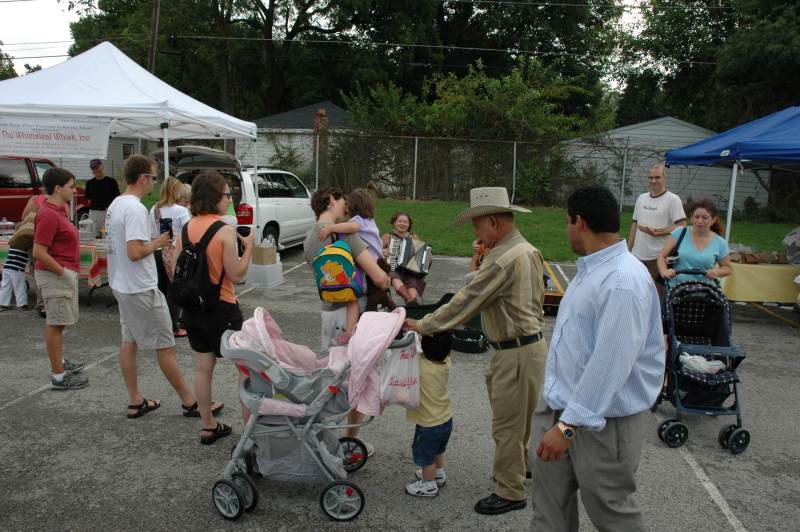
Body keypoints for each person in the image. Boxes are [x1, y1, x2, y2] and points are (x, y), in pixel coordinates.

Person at [404, 186, 546, 516]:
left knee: (507, 426)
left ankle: (510, 491)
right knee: (523, 419)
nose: (476, 234)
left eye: (477, 226)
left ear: (494, 222)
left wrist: (423, 324)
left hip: (514, 352)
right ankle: (522, 467)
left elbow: (465, 302)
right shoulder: (527, 250)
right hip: (532, 347)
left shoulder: (503, 259)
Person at [530, 186, 664, 532]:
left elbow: (610, 364)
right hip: (561, 410)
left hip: (602, 423)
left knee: (613, 515)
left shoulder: (623, 281)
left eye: (567, 221)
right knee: (549, 511)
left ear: (580, 222)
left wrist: (568, 426)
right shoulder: (592, 270)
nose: (567, 228)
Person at [106, 155, 198, 419]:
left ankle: (135, 400)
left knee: (129, 341)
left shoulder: (116, 204)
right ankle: (190, 402)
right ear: (143, 177)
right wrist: (157, 243)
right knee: (165, 344)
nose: (154, 184)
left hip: (122, 284)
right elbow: (135, 251)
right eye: (153, 178)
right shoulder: (134, 208)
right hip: (140, 287)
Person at [303, 186, 390, 455]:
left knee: (332, 375)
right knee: (354, 378)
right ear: (331, 200)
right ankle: (350, 442)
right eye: (342, 201)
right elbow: (378, 278)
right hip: (354, 315)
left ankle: (323, 437)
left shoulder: (309, 239)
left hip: (328, 313)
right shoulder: (345, 234)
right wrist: (387, 277)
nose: (347, 206)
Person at [176, 171, 254, 445]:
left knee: (202, 367)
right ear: (214, 197)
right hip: (223, 308)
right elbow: (236, 275)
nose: (229, 199)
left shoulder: (185, 228)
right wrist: (250, 250)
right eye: (226, 194)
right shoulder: (224, 231)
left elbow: (177, 266)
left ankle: (208, 424)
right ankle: (249, 432)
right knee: (244, 369)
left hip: (193, 308)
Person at [31, 168, 88, 390]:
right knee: (55, 323)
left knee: (60, 322)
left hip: (60, 274)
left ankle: (60, 362)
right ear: (57, 188)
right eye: (71, 186)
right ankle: (58, 376)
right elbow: (38, 251)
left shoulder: (59, 210)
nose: (74, 191)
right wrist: (62, 272)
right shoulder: (48, 214)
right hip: (55, 275)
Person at [319, 187, 393, 317]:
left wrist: (331, 228)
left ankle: (369, 317)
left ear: (353, 206)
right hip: (380, 262)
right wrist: (381, 250)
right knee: (382, 294)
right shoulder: (370, 220)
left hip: (372, 268)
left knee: (373, 298)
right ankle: (391, 310)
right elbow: (373, 241)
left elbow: (351, 227)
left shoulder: (357, 220)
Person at [405, 331, 453, 498]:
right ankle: (438, 474)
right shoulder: (446, 363)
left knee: (426, 456)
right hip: (446, 419)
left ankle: (428, 485)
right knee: (438, 450)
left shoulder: (420, 366)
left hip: (428, 424)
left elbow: (410, 353)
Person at [628, 164, 685, 296]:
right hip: (637, 255)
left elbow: (681, 225)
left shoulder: (673, 200)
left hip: (658, 257)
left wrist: (660, 232)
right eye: (651, 177)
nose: (653, 181)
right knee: (636, 292)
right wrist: (628, 250)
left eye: (657, 177)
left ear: (664, 178)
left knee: (654, 295)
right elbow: (635, 225)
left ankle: (657, 316)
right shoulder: (641, 198)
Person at [149, 177, 191, 338]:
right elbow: (187, 233)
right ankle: (174, 327)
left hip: (157, 251)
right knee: (174, 291)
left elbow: (151, 234)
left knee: (160, 291)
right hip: (174, 253)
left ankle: (160, 325)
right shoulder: (181, 211)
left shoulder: (154, 209)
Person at [657, 198, 732, 286]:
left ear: (713, 219)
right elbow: (661, 256)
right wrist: (664, 271)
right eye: (696, 217)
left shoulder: (720, 243)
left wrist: (717, 272)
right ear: (692, 217)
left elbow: (728, 268)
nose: (700, 221)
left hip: (705, 291)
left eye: (705, 218)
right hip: (677, 290)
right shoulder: (680, 232)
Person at [381, 212, 427, 304]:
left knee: (414, 280)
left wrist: (427, 257)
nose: (402, 224)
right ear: (394, 223)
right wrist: (382, 251)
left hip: (410, 270)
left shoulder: (414, 237)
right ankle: (410, 300)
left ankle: (411, 303)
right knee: (394, 276)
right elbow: (375, 250)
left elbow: (420, 253)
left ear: (409, 224)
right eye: (400, 221)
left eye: (405, 222)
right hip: (393, 268)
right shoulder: (387, 236)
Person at [85, 159, 121, 237]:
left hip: (106, 213)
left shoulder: (111, 182)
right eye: (93, 168)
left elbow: (117, 199)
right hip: (93, 214)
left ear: (102, 167)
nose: (96, 170)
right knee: (94, 236)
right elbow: (88, 200)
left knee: (105, 236)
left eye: (97, 167)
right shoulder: (89, 183)